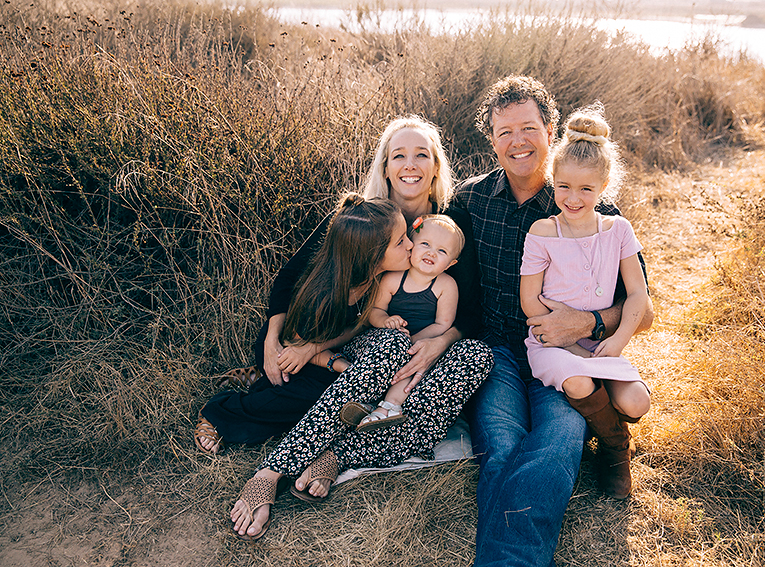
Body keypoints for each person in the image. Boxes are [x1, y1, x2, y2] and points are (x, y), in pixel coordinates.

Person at [226, 116, 493, 540]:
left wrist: (440, 343)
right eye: (398, 155)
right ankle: (273, 471)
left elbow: (473, 310)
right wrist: (273, 338)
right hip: (361, 342)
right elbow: (291, 279)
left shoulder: (451, 226)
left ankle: (340, 452)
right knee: (387, 343)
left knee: (479, 357)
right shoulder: (361, 218)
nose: (410, 164)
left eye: (422, 154)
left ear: (436, 167)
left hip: (428, 344)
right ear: (385, 168)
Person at [455, 76, 654, 566]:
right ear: (492, 140)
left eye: (528, 127)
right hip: (497, 352)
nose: (517, 140)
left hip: (567, 356)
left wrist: (585, 323)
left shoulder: (590, 207)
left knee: (558, 443)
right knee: (501, 445)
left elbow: (643, 310)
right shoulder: (469, 201)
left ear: (550, 130)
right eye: (505, 132)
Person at [520, 102, 651, 500]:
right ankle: (615, 450)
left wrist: (619, 339)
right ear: (553, 180)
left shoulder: (619, 230)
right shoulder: (544, 231)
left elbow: (639, 296)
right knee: (578, 381)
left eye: (586, 189)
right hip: (551, 342)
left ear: (604, 186)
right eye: (563, 187)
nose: (572, 198)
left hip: (603, 343)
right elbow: (530, 303)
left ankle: (613, 424)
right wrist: (568, 339)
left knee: (638, 402)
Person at [356, 214, 465, 431]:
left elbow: (442, 325)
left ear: (451, 263)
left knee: (413, 364)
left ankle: (390, 407)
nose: (431, 252)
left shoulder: (446, 285)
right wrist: (386, 321)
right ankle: (369, 403)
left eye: (442, 251)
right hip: (389, 339)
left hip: (423, 342)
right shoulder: (393, 278)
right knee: (387, 353)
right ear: (410, 245)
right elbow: (374, 311)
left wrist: (413, 342)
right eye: (425, 244)